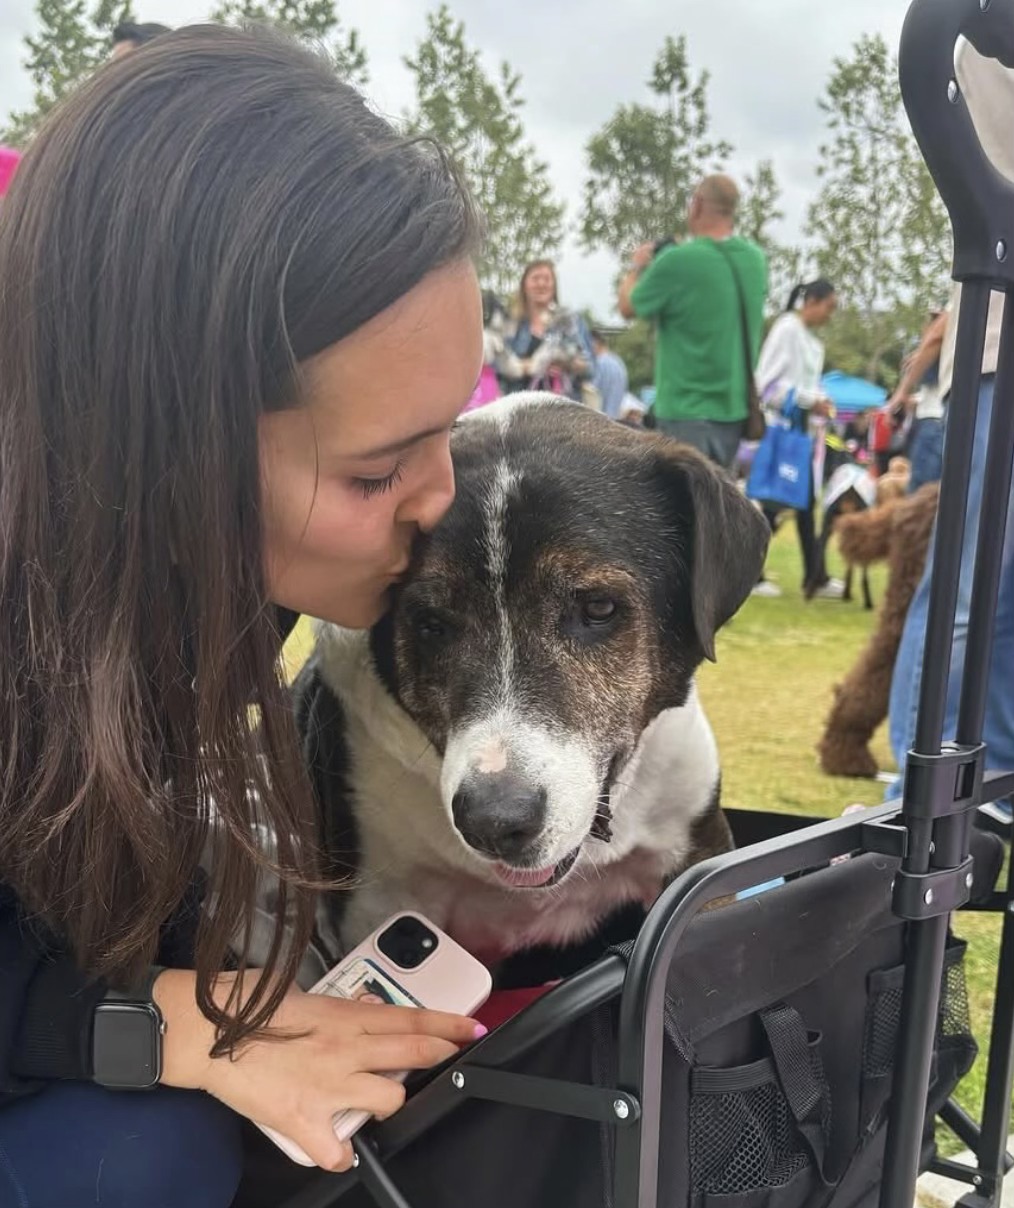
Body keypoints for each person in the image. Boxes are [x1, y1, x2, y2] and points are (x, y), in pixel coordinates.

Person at [0, 26, 486, 1208]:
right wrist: (184, 1025)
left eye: (450, 428)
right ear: (162, 450)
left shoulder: (200, 566)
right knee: (134, 1163)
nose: (442, 503)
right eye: (378, 474)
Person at [887, 38, 1014, 823]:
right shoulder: (984, 40)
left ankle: (995, 782)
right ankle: (916, 792)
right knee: (969, 587)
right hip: (1002, 335)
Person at [617, 174, 767, 471]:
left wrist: (638, 265)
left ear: (697, 205)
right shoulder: (755, 260)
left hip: (684, 410)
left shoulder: (677, 261)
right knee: (719, 504)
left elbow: (627, 306)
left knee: (680, 511)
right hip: (734, 412)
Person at [753, 279, 840, 599]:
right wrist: (807, 400)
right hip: (784, 430)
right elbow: (766, 384)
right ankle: (751, 572)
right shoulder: (787, 329)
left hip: (803, 433)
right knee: (774, 504)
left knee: (803, 505)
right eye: (829, 307)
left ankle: (815, 575)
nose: (829, 316)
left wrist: (819, 401)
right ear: (813, 301)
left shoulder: (811, 342)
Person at [504, 260, 595, 401]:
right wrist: (534, 366)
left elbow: (590, 367)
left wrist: (567, 365)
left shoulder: (572, 321)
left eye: (547, 279)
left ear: (554, 285)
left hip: (563, 407)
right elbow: (498, 365)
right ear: (524, 285)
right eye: (535, 278)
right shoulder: (510, 323)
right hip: (518, 406)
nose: (541, 283)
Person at [888, 309, 948, 494]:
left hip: (933, 421)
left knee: (919, 503)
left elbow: (934, 339)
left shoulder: (958, 303)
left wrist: (901, 391)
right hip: (946, 419)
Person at [590, 329, 629, 420]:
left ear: (595, 343)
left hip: (599, 421)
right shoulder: (619, 363)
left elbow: (592, 393)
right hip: (615, 420)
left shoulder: (598, 364)